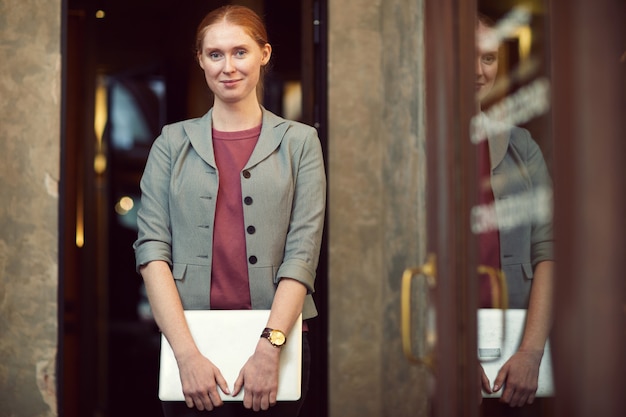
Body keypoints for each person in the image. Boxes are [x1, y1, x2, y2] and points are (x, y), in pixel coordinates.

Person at [133, 5, 326, 416]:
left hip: (279, 343)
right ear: (200, 60)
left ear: (264, 54)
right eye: (215, 54)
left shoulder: (300, 142)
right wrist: (185, 355)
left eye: (240, 52)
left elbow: (302, 254)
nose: (228, 66)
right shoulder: (170, 143)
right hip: (191, 345)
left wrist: (270, 348)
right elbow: (152, 252)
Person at [474, 13, 555, 415]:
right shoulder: (416, 143)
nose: (478, 70)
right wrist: (446, 352)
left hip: (513, 352)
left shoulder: (521, 145)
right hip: (432, 345)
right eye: (466, 56)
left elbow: (549, 251)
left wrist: (531, 352)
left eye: (488, 59)